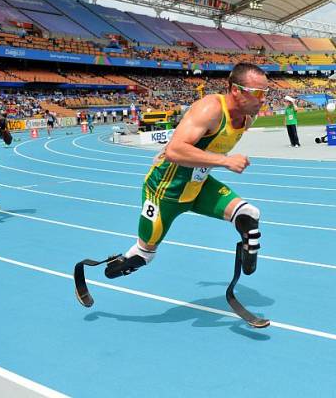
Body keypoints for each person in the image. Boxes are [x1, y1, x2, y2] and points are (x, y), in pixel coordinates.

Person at [96, 63, 266, 283]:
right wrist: (225, 161)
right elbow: (174, 150)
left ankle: (247, 253)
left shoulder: (247, 117)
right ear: (235, 90)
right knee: (144, 254)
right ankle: (119, 263)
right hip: (166, 190)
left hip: (198, 185)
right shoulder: (211, 109)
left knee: (249, 214)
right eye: (258, 93)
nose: (263, 99)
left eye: (266, 93)